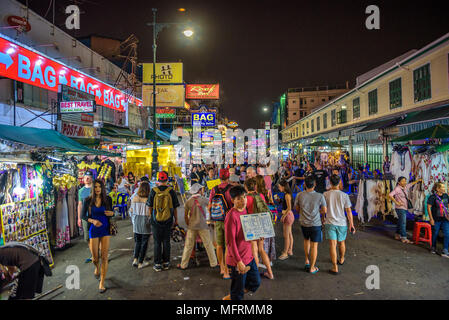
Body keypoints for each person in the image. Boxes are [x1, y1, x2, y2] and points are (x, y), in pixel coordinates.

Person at [222, 185, 260, 300]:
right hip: (238, 260)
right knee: (238, 293)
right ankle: (235, 296)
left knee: (255, 282)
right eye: (239, 198)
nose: (243, 200)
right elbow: (230, 242)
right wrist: (239, 262)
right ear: (232, 200)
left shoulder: (245, 211)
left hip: (249, 256)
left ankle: (235, 295)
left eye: (244, 197)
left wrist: (257, 236)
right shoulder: (231, 216)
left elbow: (246, 234)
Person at [81, 179, 114, 293]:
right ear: (93, 188)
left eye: (100, 186)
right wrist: (92, 221)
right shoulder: (88, 200)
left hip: (105, 229)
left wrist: (112, 213)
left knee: (104, 257)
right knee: (95, 258)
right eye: (95, 187)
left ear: (102, 188)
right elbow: (83, 216)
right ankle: (96, 267)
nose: (98, 189)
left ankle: (102, 282)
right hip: (94, 229)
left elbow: (112, 212)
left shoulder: (107, 199)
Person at [177, 183, 218, 269]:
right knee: (208, 244)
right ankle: (213, 263)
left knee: (188, 245)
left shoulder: (188, 201)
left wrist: (188, 223)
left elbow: (185, 216)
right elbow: (211, 206)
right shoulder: (204, 199)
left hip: (192, 226)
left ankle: (183, 265)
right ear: (199, 190)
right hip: (203, 225)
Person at [147, 171, 180, 272]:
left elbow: (149, 206)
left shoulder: (153, 191)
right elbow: (175, 208)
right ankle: (166, 263)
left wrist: (151, 217)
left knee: (157, 242)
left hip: (155, 220)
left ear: (158, 179)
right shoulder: (171, 191)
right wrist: (176, 220)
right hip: (168, 220)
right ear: (167, 179)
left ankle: (157, 264)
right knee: (166, 241)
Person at [323, 174, 356, 275]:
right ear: (340, 182)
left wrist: (322, 218)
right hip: (342, 223)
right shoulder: (344, 195)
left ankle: (334, 267)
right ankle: (341, 258)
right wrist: (352, 224)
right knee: (341, 242)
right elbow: (349, 211)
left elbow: (323, 210)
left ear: (330, 183)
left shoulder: (325, 194)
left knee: (332, 245)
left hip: (330, 222)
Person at [295, 176, 327, 274]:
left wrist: (303, 213)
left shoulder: (299, 195)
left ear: (304, 184)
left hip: (304, 223)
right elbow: (324, 210)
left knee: (306, 241)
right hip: (316, 223)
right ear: (315, 184)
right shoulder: (320, 196)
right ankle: (312, 267)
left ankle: (306, 260)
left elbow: (297, 208)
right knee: (314, 246)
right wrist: (318, 213)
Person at [244, 178, 274, 279]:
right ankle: (270, 273)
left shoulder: (246, 198)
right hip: (261, 224)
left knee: (254, 250)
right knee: (261, 249)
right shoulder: (260, 195)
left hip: (251, 224)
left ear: (245, 187)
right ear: (255, 186)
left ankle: (255, 275)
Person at [208, 168, 233, 280]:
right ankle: (227, 271)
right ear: (228, 177)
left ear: (219, 177)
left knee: (219, 244)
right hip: (228, 221)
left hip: (217, 220)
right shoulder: (231, 189)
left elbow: (209, 206)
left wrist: (213, 217)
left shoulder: (214, 188)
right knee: (228, 245)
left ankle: (222, 267)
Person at [389, 176, 422, 244]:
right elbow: (390, 195)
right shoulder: (397, 188)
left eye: (405, 181)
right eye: (403, 181)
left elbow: (411, 184)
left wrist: (418, 180)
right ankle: (404, 237)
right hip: (400, 208)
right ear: (399, 182)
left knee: (400, 221)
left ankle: (397, 234)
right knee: (403, 222)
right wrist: (397, 202)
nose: (404, 182)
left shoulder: (405, 187)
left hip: (405, 207)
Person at [130, 181, 152, 269]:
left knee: (137, 242)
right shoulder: (149, 199)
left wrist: (133, 220)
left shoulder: (134, 198)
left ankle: (135, 259)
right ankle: (141, 262)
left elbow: (131, 211)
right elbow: (150, 213)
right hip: (145, 221)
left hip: (136, 221)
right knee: (144, 243)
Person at [427, 182, 449, 257]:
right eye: (442, 187)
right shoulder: (432, 197)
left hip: (445, 219)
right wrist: (431, 219)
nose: (444, 188)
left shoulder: (446, 196)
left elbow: (448, 205)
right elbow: (429, 207)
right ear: (437, 189)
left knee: (447, 234)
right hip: (436, 219)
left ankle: (445, 250)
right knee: (435, 233)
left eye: (444, 187)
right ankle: (433, 247)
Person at [78, 171, 93, 263]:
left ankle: (99, 253)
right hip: (85, 217)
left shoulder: (95, 189)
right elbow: (79, 205)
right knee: (87, 237)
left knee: (97, 236)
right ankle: (93, 255)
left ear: (92, 178)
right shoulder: (81, 191)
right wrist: (79, 218)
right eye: (85, 177)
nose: (86, 179)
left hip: (95, 216)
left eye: (88, 177)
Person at [278, 179, 294, 260]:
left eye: (279, 186)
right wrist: (280, 200)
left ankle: (285, 253)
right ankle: (290, 250)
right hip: (289, 215)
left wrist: (283, 216)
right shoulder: (286, 194)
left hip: (288, 215)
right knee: (289, 234)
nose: (279, 188)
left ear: (283, 187)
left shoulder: (287, 195)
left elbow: (289, 208)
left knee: (286, 236)